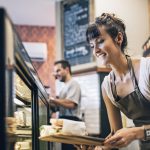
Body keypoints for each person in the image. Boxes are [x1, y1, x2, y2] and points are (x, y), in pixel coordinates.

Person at [85, 13, 150, 150]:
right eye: (92, 46)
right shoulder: (107, 86)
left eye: (100, 41)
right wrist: (97, 147)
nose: (96, 50)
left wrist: (137, 132)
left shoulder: (147, 69)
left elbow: (134, 134)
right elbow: (116, 134)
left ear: (118, 38)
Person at [49, 60, 82, 150]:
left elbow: (71, 104)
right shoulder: (64, 87)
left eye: (58, 70)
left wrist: (53, 100)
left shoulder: (73, 84)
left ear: (66, 69)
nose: (56, 74)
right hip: (65, 122)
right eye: (55, 71)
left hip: (72, 122)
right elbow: (60, 105)